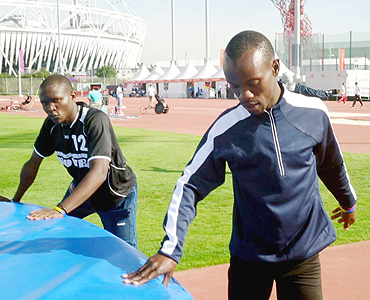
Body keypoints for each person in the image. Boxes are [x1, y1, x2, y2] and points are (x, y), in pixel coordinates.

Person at [123, 30, 357, 299]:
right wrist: (170, 249)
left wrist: (348, 202)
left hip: (302, 256)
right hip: (250, 260)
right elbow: (188, 185)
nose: (245, 94)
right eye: (235, 86)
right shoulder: (226, 129)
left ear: (275, 68)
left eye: (253, 82)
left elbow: (331, 163)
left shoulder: (312, 112)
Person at [0, 75, 138, 248]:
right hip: (82, 188)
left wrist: (60, 209)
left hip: (115, 194)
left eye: (56, 100)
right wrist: (15, 200)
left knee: (123, 251)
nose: (50, 108)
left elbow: (99, 172)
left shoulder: (94, 120)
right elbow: (33, 163)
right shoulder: (51, 125)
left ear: (72, 96)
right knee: (57, 231)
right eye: (45, 103)